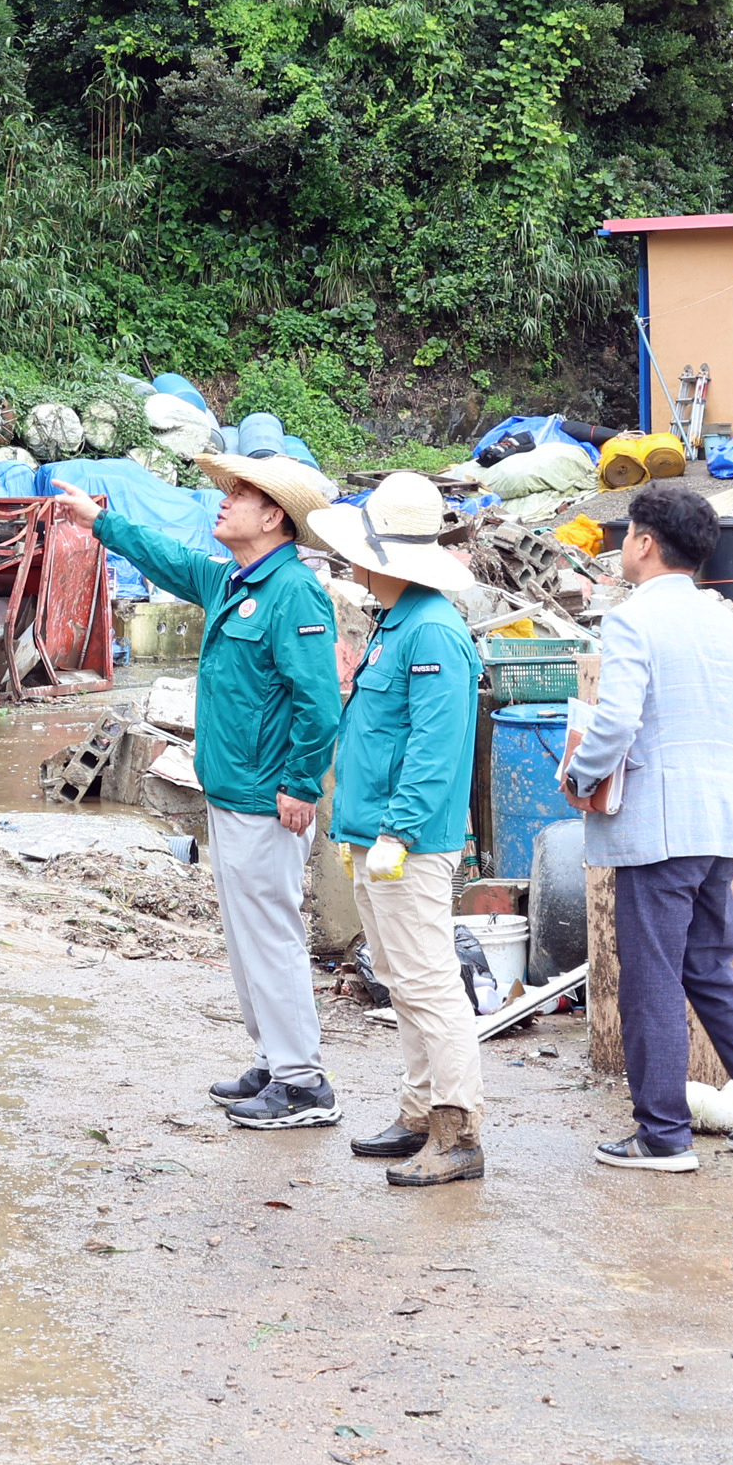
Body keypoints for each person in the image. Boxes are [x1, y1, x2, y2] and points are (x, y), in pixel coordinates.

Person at [54, 451, 346, 1129]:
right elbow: (165, 559)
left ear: (274, 515)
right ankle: (276, 1061)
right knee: (247, 938)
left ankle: (303, 1082)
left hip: (268, 798)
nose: (223, 501)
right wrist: (102, 521)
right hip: (231, 789)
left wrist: (302, 782)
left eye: (239, 493)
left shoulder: (293, 592)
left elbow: (319, 702)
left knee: (270, 934)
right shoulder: (235, 581)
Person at [564, 483, 733, 1169]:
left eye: (627, 535)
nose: (621, 547)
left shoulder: (633, 620)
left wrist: (584, 779)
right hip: (718, 825)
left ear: (644, 542)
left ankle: (662, 1133)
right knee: (708, 968)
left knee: (652, 979)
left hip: (657, 831)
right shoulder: (729, 623)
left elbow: (614, 721)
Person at [304, 472, 487, 1187]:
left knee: (429, 985)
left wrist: (399, 831)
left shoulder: (431, 630)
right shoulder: (398, 623)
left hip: (404, 840)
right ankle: (419, 1115)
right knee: (405, 983)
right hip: (376, 834)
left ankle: (457, 1130)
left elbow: (435, 749)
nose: (352, 562)